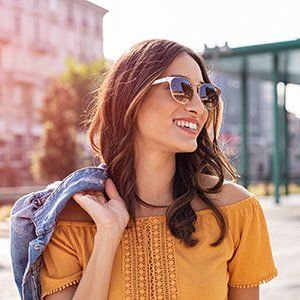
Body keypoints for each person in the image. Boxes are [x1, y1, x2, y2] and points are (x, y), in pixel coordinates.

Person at [40, 39, 278, 299]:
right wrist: (107, 236)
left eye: (205, 94)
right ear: (132, 95)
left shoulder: (235, 211)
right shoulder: (70, 220)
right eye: (181, 88)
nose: (198, 108)